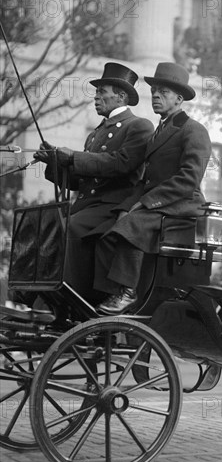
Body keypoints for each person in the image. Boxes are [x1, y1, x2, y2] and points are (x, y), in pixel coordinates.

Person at [94, 62, 211, 315]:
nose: (156, 96)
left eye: (163, 92)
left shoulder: (193, 131)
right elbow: (145, 180)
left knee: (131, 226)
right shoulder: (159, 132)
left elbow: (189, 179)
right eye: (154, 91)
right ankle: (107, 295)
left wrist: (146, 203)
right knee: (108, 231)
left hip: (183, 206)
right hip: (158, 206)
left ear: (179, 99)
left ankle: (127, 292)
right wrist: (125, 206)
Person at [34, 62, 154, 301]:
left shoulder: (139, 126)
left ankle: (66, 299)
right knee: (42, 223)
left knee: (67, 227)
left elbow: (121, 164)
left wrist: (74, 157)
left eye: (102, 92)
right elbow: (82, 181)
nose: (96, 97)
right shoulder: (95, 133)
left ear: (121, 97)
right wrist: (55, 162)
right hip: (89, 208)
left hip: (112, 208)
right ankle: (38, 294)